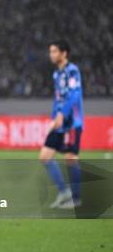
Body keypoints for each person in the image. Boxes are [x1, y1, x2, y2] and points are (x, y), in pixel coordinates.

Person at [39, 40, 84, 209]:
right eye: (51, 51)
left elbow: (74, 95)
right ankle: (64, 192)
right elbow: (58, 99)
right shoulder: (56, 74)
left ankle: (76, 199)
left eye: (55, 51)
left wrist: (61, 115)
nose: (52, 55)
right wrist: (53, 119)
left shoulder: (72, 71)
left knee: (71, 158)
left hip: (72, 121)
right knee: (44, 156)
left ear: (64, 53)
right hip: (58, 121)